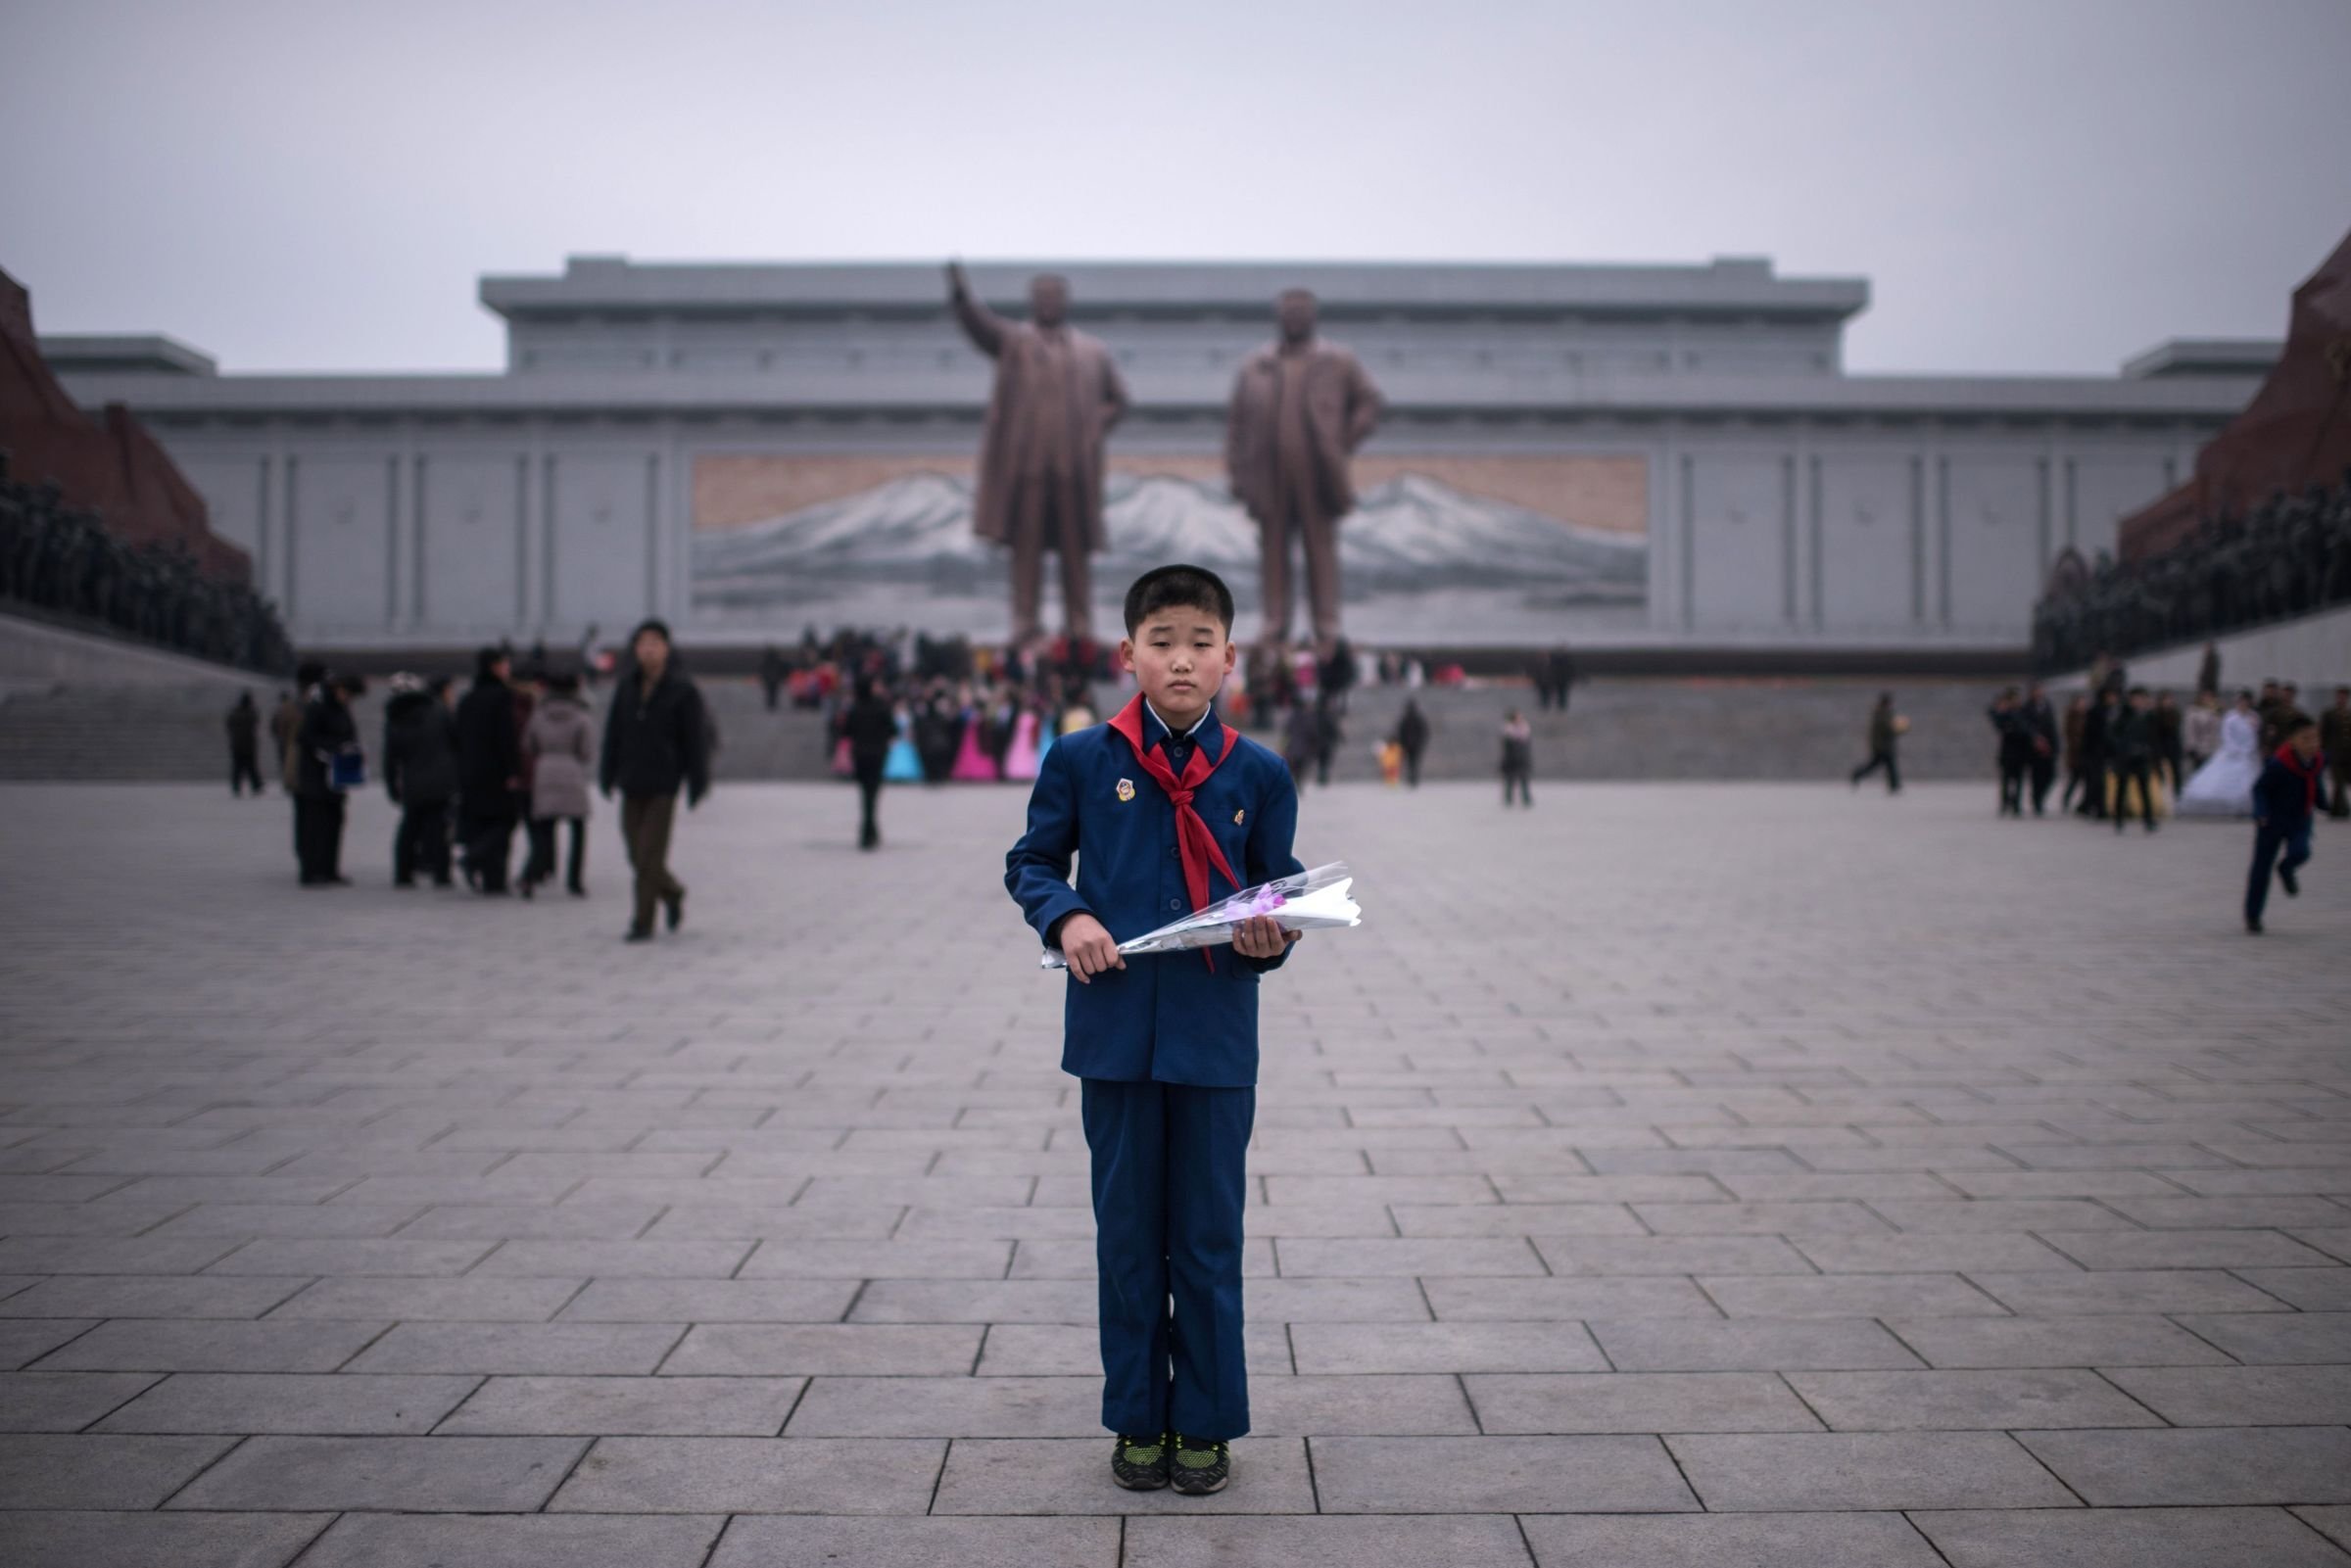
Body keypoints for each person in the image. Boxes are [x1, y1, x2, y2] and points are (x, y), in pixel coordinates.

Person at [1003, 562, 1304, 1497]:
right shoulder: (1081, 761)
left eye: (1201, 643)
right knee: (1129, 1234)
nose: (1182, 660)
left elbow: (1278, 890)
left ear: (1229, 659)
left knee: (1208, 1236)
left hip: (1215, 1040)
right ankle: (1138, 1416)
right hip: (1117, 1036)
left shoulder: (1260, 771)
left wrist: (1270, 935)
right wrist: (1069, 916)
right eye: (1162, 642)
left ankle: (1205, 1424)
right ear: (1127, 655)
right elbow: (1033, 862)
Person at [947, 261, 1129, 641]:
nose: (1048, 303)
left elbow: (1120, 399)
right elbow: (981, 327)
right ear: (1032, 302)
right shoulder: (1015, 343)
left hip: (1073, 471)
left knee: (1074, 553)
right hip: (1027, 468)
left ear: (1065, 302)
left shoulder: (1091, 351)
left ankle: (1079, 624)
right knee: (1025, 553)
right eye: (1041, 297)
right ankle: (1025, 621)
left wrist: (1095, 425)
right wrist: (962, 296)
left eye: (1055, 297)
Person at [1224, 289, 1383, 646]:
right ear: (1278, 316)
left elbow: (1369, 403)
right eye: (1288, 311)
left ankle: (1325, 625)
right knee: (1273, 553)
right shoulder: (1256, 366)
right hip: (1270, 476)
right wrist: (1237, 474)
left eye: (1301, 311)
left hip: (1317, 473)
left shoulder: (1338, 361)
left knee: (1320, 551)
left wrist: (1343, 439)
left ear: (1313, 317)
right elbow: (1236, 425)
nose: (1294, 317)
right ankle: (1275, 622)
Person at [600, 619, 710, 943]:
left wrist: (696, 782)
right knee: (635, 855)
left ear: (666, 648)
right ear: (635, 649)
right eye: (642, 643)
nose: (648, 649)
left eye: (654, 643)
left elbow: (695, 740)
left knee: (649, 856)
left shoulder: (682, 690)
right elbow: (613, 734)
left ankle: (642, 922)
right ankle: (673, 892)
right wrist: (608, 774)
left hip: (664, 783)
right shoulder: (627, 687)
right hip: (631, 781)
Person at [2244, 715, 2325, 933]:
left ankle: (2286, 868)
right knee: (2261, 870)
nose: (2312, 744)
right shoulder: (2279, 764)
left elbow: (2316, 783)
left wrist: (2324, 804)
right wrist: (2261, 813)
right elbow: (2259, 789)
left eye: (2315, 738)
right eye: (2306, 739)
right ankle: (2253, 917)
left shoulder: (2317, 760)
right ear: (2292, 740)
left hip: (2300, 819)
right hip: (2272, 821)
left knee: (2301, 852)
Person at [455, 648, 523, 894]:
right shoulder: (502, 697)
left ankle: (488, 877)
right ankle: (482, 865)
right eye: (505, 665)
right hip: (496, 772)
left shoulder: (468, 698)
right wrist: (513, 770)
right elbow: (506, 737)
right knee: (505, 821)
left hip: (470, 771)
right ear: (495, 667)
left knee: (481, 823)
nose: (508, 669)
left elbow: (456, 736)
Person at [520, 671, 595, 898]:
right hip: (571, 770)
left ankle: (531, 875)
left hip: (545, 772)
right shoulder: (581, 716)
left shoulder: (539, 715)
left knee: (544, 831)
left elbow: (528, 744)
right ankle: (575, 881)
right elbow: (587, 751)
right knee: (578, 830)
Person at [382, 673, 459, 888]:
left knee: (409, 828)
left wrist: (391, 786)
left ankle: (402, 873)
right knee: (438, 829)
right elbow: (456, 742)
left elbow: (390, 758)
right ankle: (441, 873)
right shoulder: (439, 712)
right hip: (442, 780)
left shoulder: (395, 718)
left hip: (412, 782)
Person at [294, 673, 362, 886]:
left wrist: (351, 750)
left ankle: (330, 869)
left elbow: (350, 735)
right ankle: (312, 871)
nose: (348, 698)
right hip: (314, 778)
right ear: (337, 688)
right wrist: (331, 749)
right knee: (315, 826)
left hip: (336, 779)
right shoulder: (317, 707)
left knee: (334, 823)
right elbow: (306, 738)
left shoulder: (342, 709)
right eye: (346, 693)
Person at [2180, 691, 2266, 817]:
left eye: (2246, 702)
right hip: (2233, 753)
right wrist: (2236, 750)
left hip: (2249, 753)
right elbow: (2227, 736)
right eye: (2241, 702)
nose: (2243, 704)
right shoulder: (2231, 717)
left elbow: (2254, 735)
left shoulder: (2253, 717)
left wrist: (2249, 749)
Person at [841, 676, 896, 850]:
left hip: (860, 755)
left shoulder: (855, 708)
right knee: (872, 794)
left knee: (865, 794)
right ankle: (870, 831)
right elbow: (893, 729)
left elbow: (846, 731)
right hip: (878, 755)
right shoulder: (881, 707)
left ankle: (868, 831)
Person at [2107, 687, 2161, 832]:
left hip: (2141, 757)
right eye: (2137, 699)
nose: (2140, 702)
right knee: (2121, 789)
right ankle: (2118, 820)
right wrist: (2122, 749)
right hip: (2124, 758)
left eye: (2142, 699)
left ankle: (2148, 820)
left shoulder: (2148, 716)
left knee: (2144, 789)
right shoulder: (2122, 715)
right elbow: (2113, 735)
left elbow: (2153, 736)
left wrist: (2147, 750)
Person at [2077, 688, 2120, 819]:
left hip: (2102, 752)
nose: (2114, 699)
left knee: (2098, 782)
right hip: (2094, 752)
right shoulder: (2097, 712)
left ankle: (2090, 806)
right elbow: (2093, 734)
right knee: (2096, 781)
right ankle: (2093, 807)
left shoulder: (2111, 711)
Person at [1988, 688, 2031, 817]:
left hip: (2020, 751)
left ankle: (2016, 804)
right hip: (2007, 753)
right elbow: (1993, 715)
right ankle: (2005, 803)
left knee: (2018, 780)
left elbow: (2027, 729)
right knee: (2006, 780)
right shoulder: (2004, 714)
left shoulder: (2022, 712)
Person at [2020, 683, 2060, 816]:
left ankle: (2040, 798)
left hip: (2049, 747)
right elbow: (2025, 725)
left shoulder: (2047, 706)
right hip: (2034, 749)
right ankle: (2037, 801)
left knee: (2051, 775)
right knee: (2036, 777)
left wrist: (2055, 746)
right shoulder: (2026, 708)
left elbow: (2053, 727)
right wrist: (2035, 737)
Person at [1849, 692, 1901, 793]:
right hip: (1882, 746)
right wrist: (1898, 730)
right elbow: (1886, 728)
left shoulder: (1881, 712)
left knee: (1885, 765)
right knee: (1884, 765)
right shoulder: (1882, 713)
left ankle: (1894, 785)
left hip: (1882, 745)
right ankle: (1857, 775)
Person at [226, 690, 264, 795]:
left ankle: (236, 786)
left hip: (237, 745)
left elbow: (229, 726)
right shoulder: (251, 713)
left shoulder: (235, 713)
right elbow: (256, 722)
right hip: (248, 746)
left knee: (238, 768)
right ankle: (256, 785)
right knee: (251, 767)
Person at [2322, 687, 2351, 819]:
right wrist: (2323, 750)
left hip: (2348, 754)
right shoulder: (2329, 714)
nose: (2341, 699)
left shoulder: (2348, 714)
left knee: (2345, 782)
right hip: (2335, 753)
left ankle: (2337, 808)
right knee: (2338, 782)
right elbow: (2324, 733)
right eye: (2339, 696)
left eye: (2344, 696)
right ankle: (2340, 809)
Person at [2060, 693, 2091, 813]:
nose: (2083, 705)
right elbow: (2069, 735)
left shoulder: (2088, 716)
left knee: (2087, 781)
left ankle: (2083, 804)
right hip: (2075, 755)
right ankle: (2066, 799)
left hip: (2086, 754)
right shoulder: (2071, 717)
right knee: (2075, 779)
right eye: (2080, 703)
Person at [2154, 690, 2186, 796]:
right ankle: (2163, 794)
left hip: (2173, 748)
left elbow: (2175, 730)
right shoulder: (2156, 715)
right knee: (2161, 772)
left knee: (2176, 772)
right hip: (2160, 747)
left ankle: (2177, 794)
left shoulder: (2175, 714)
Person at [1500, 709, 1533, 807]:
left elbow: (1527, 747)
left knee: (1524, 780)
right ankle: (1508, 799)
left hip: (1523, 759)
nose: (1520, 719)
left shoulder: (1525, 729)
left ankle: (1526, 798)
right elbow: (1506, 748)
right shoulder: (1507, 731)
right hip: (1511, 760)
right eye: (1518, 717)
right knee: (1510, 781)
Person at [1393, 696, 1430, 788]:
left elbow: (1401, 732)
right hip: (1414, 745)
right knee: (1414, 763)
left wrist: (1402, 742)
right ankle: (1413, 779)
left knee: (1411, 763)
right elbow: (1424, 732)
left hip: (1409, 745)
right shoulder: (1417, 719)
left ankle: (1412, 779)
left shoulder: (1407, 719)